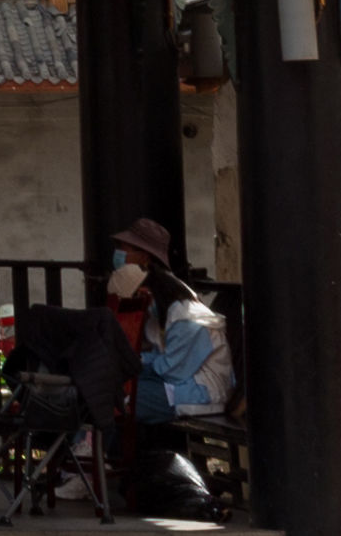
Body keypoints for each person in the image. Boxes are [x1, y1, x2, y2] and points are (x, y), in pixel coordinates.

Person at [67, 218, 225, 519]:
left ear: (144, 258)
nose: (119, 254)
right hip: (174, 386)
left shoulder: (185, 313)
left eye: (125, 249)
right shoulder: (158, 307)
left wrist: (134, 364)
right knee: (107, 390)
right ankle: (89, 467)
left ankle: (89, 469)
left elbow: (174, 371)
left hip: (198, 391)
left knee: (117, 398)